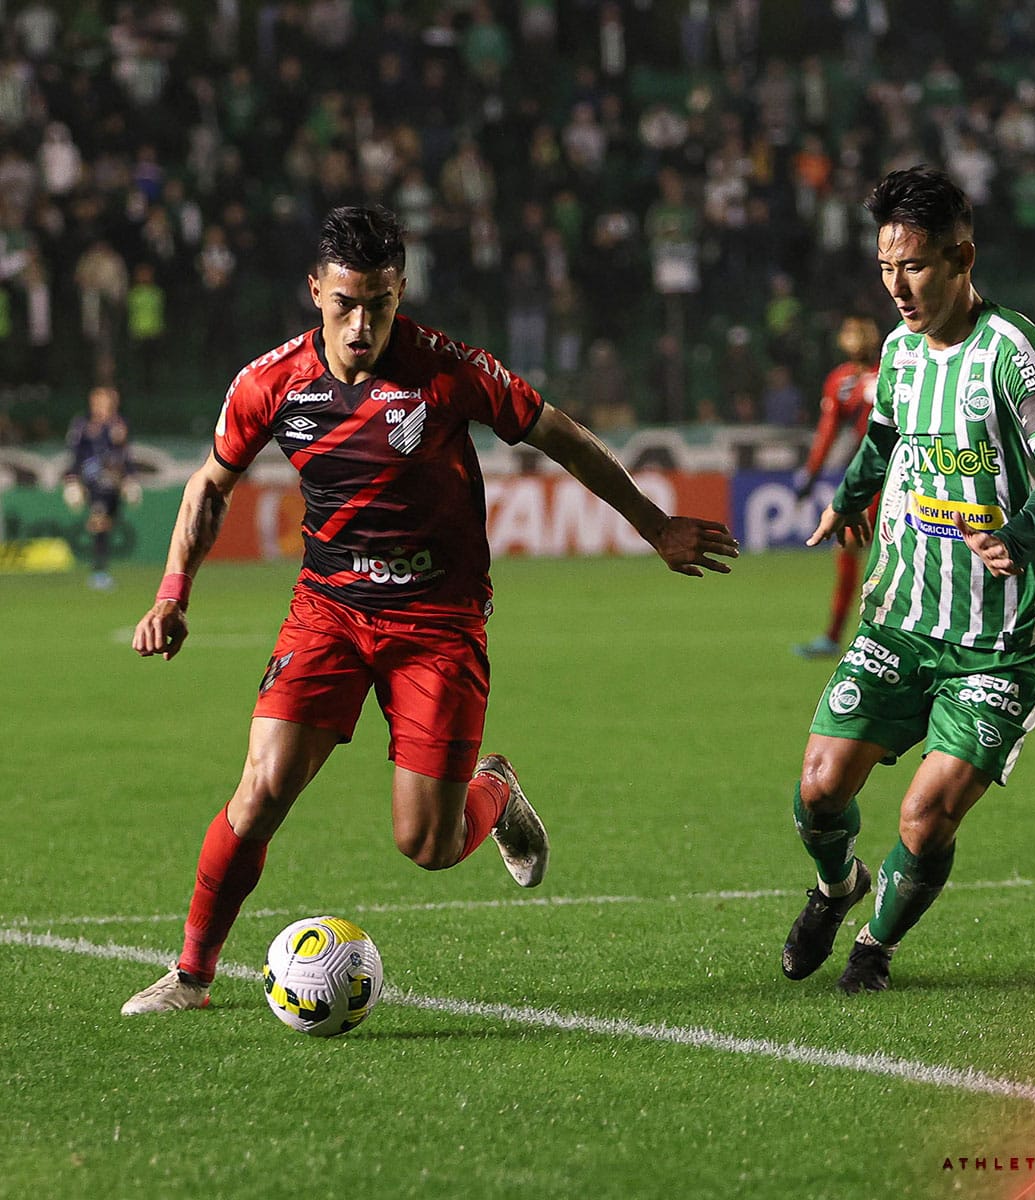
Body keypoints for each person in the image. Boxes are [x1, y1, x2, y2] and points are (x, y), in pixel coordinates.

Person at [121, 205, 739, 1016]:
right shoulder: (269, 383)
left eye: (379, 302)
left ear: (399, 292)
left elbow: (561, 434)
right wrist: (173, 592)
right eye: (345, 302)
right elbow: (209, 485)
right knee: (262, 787)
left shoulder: (447, 369)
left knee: (430, 845)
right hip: (330, 609)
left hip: (438, 623)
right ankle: (192, 976)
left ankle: (497, 786)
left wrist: (653, 524)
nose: (361, 323)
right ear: (315, 292)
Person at [781, 166, 1035, 995]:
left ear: (962, 258)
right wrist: (849, 500)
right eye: (886, 268)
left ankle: (873, 950)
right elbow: (884, 441)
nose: (898, 287)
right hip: (902, 621)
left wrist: (1020, 538)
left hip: (998, 642)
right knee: (818, 790)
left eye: (914, 266)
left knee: (925, 816)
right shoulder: (897, 353)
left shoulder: (1012, 353)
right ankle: (835, 887)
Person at [793, 314, 880, 657]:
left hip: (874, 478)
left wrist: (810, 476)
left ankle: (835, 637)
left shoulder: (843, 381)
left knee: (849, 550)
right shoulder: (898, 365)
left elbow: (827, 435)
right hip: (903, 474)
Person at [63, 384, 140, 590]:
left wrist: (130, 478)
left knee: (107, 523)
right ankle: (99, 572)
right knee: (100, 521)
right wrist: (72, 480)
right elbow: (75, 454)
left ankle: (101, 570)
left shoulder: (119, 424)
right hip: (94, 481)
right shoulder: (83, 425)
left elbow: (125, 454)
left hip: (114, 483)